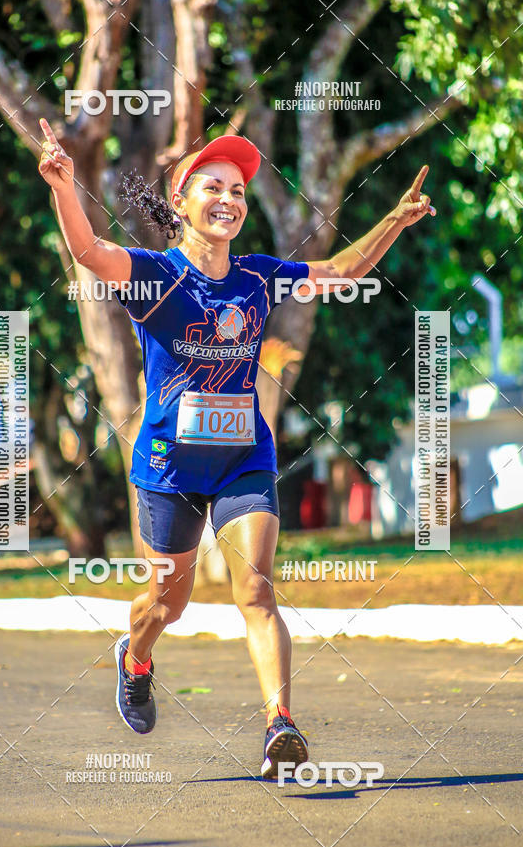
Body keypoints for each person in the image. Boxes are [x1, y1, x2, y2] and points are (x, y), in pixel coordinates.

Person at [38, 117, 435, 779]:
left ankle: (280, 724)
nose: (229, 198)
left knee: (256, 590)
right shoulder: (155, 275)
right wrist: (63, 186)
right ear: (183, 201)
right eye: (213, 186)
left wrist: (393, 221)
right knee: (167, 603)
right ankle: (135, 659)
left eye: (239, 190)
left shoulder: (257, 277)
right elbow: (90, 254)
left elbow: (339, 270)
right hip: (168, 467)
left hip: (243, 456)